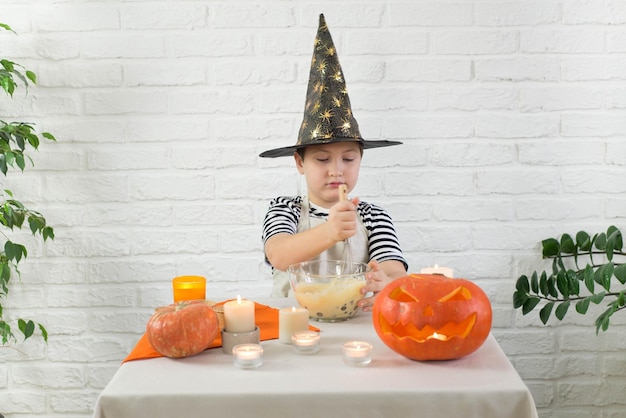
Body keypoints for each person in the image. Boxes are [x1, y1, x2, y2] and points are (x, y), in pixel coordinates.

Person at [260, 14, 408, 310]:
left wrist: (386, 283)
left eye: (349, 158)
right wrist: (329, 231)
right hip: (293, 326)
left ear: (361, 160)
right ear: (300, 163)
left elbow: (394, 270)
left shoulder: (371, 215)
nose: (337, 169)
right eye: (322, 159)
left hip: (356, 328)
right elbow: (279, 254)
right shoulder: (284, 208)